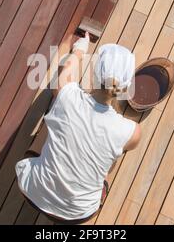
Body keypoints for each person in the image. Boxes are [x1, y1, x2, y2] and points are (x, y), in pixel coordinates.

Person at [15, 33, 141, 223]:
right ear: (125, 87)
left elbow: (67, 70)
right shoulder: (131, 131)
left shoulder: (67, 95)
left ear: (95, 73)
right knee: (110, 159)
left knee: (51, 123)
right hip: (78, 215)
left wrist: (80, 50)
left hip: (33, 191)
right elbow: (124, 147)